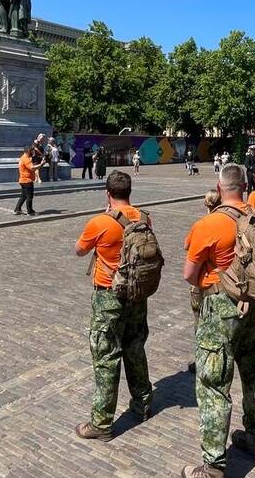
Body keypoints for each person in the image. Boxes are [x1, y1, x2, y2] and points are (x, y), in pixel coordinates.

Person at [182, 164, 255, 478]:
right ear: (245, 186)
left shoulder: (211, 223)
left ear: (219, 187)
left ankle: (213, 464)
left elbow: (189, 274)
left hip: (221, 306)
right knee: (253, 370)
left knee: (214, 383)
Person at [73, 171, 154, 441]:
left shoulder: (100, 222)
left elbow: (79, 250)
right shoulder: (143, 217)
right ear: (130, 192)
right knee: (134, 347)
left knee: (106, 357)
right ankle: (143, 404)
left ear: (108, 194)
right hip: (137, 294)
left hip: (109, 295)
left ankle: (102, 422)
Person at [185, 189, 223, 374]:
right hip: (227, 282)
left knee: (200, 321)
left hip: (205, 282)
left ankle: (203, 358)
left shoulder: (201, 225)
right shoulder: (229, 221)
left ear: (205, 204)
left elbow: (187, 246)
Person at [14, 146, 44, 215]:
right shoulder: (26, 158)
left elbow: (31, 165)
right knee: (29, 197)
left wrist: (40, 164)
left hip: (22, 180)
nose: (33, 152)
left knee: (23, 196)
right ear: (28, 151)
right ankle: (30, 211)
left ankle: (17, 209)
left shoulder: (23, 157)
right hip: (27, 180)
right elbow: (32, 168)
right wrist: (41, 164)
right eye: (32, 151)